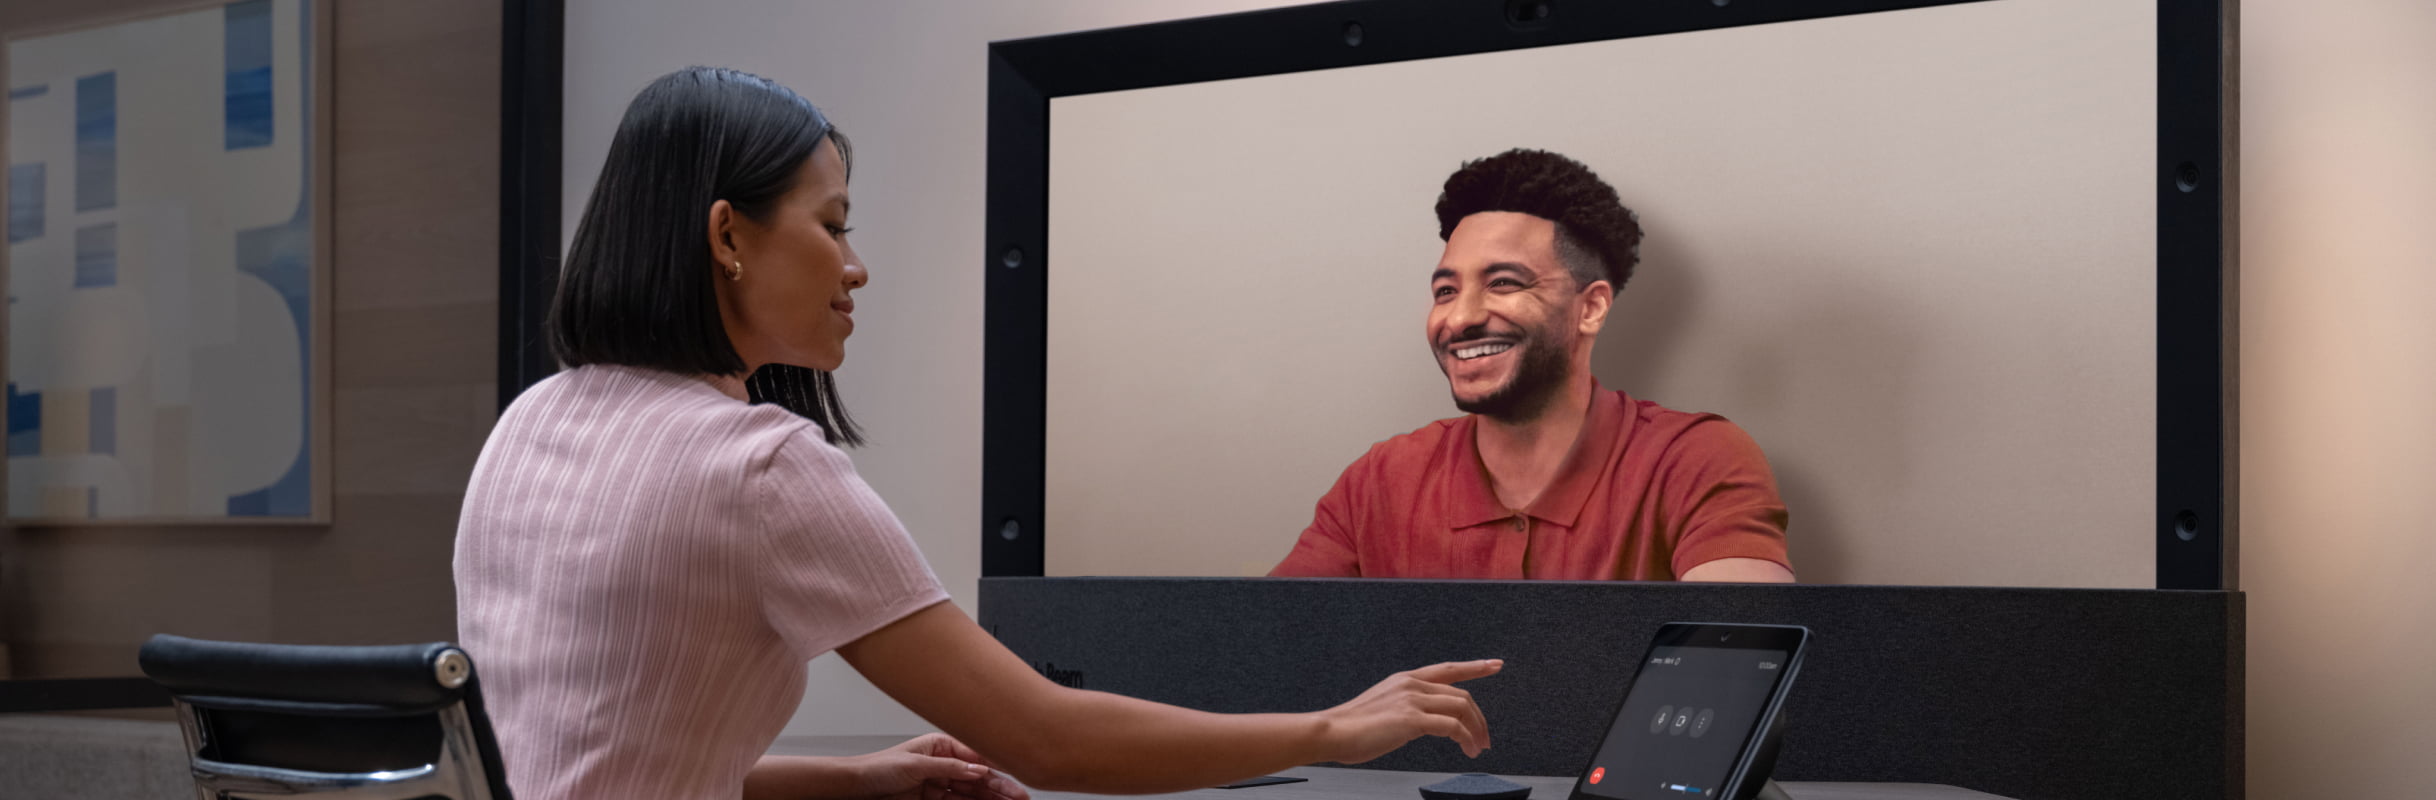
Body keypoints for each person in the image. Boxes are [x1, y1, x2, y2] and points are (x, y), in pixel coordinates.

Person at [452, 67, 1499, 800]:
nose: (855, 265)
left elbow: (586, 767)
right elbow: (1045, 738)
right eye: (832, 223)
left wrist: (855, 778)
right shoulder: (757, 465)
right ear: (728, 235)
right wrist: (1334, 727)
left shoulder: (528, 424)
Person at [1268, 149, 1794, 583]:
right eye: (1445, 291)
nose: (1462, 317)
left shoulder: (1694, 460)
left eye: (1504, 283)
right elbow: (1262, 653)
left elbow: (1737, 666)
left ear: (1591, 308)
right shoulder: (1379, 481)